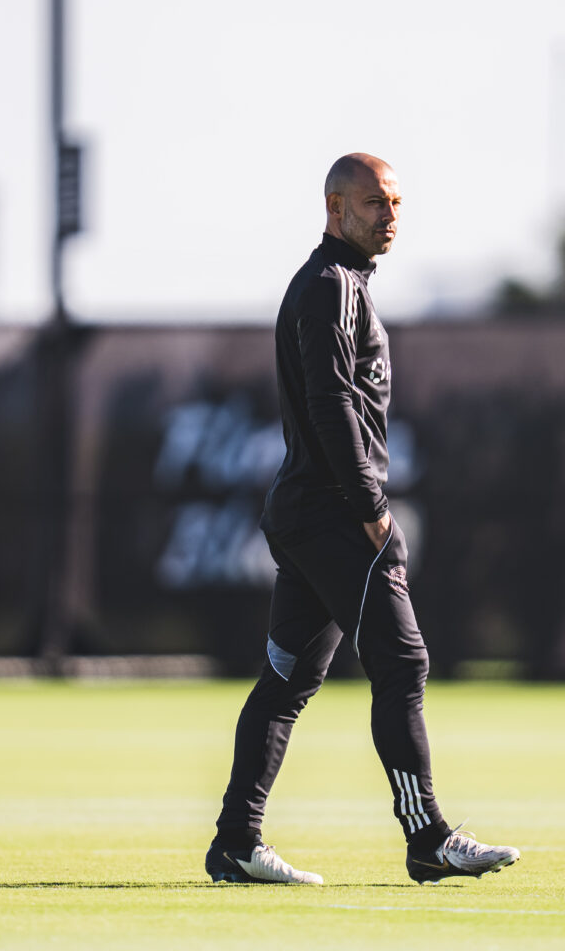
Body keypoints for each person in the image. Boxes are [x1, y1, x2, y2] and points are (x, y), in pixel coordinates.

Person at [205, 153, 520, 886]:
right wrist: (373, 510)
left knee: (286, 680)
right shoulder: (329, 287)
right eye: (376, 203)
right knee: (403, 660)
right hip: (334, 517)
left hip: (312, 512)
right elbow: (331, 404)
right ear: (335, 208)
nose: (390, 216)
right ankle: (428, 837)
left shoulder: (345, 286)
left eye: (398, 203)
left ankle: (235, 844)